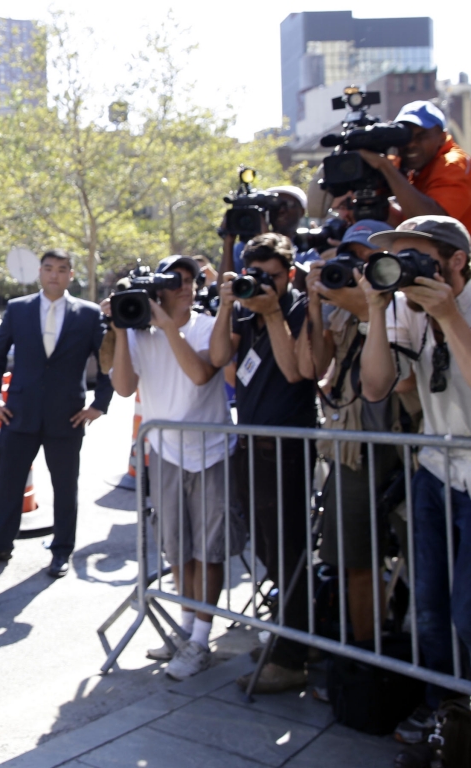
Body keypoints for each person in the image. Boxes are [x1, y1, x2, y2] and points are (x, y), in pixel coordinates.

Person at [359, 215, 471, 752]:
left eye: (414, 258)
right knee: (429, 609)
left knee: (468, 612)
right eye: (393, 260)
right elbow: (377, 386)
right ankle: (443, 712)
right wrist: (377, 313)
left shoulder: (454, 308)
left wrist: (450, 315)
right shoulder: (408, 311)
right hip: (434, 472)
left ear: (454, 262)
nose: (401, 272)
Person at [104, 256, 241, 679]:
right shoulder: (141, 335)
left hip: (212, 450)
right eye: (177, 281)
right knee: (179, 550)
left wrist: (168, 328)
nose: (187, 286)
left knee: (209, 549)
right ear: (157, 291)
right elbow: (124, 387)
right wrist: (122, 328)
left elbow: (201, 374)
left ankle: (201, 637)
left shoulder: (204, 326)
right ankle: (185, 630)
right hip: (165, 453)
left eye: (191, 280)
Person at [210, 232, 317, 693]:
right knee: (267, 548)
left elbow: (297, 372)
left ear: (289, 274)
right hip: (252, 447)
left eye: (271, 276)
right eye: (255, 275)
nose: (262, 284)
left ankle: (295, 657)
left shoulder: (298, 307)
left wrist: (272, 311)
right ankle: (288, 636)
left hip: (289, 451)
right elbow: (218, 358)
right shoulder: (244, 309)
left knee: (290, 551)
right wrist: (225, 304)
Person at [0, 249, 113, 577]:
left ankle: (62, 550)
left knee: (66, 486)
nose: (54, 275)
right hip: (19, 413)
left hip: (68, 415)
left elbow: (106, 362)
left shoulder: (89, 314)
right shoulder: (19, 309)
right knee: (8, 483)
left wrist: (99, 405)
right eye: (49, 268)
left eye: (62, 269)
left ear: (71, 274)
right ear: (40, 272)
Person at [298, 219, 407, 646]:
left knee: (419, 563)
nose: (353, 268)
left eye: (363, 259)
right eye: (347, 257)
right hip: (352, 448)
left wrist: (367, 306)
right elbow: (316, 367)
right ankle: (365, 657)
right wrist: (314, 306)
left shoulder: (405, 306)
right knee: (356, 559)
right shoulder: (338, 308)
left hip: (402, 446)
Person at [357, 101, 471, 233]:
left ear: (442, 137)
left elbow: (433, 225)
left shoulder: (453, 163)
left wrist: (385, 167)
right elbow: (407, 223)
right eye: (405, 137)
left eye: (421, 136)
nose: (411, 144)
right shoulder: (413, 164)